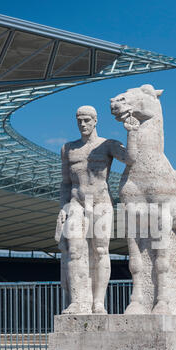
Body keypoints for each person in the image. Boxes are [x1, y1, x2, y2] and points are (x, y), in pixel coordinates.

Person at [55, 105, 126, 314]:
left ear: (95, 121)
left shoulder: (108, 145)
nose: (83, 124)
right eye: (79, 120)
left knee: (101, 250)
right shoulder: (68, 148)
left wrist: (132, 130)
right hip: (76, 203)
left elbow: (131, 158)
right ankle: (77, 301)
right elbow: (65, 183)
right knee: (75, 250)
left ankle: (98, 302)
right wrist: (62, 208)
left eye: (87, 120)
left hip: (101, 202)